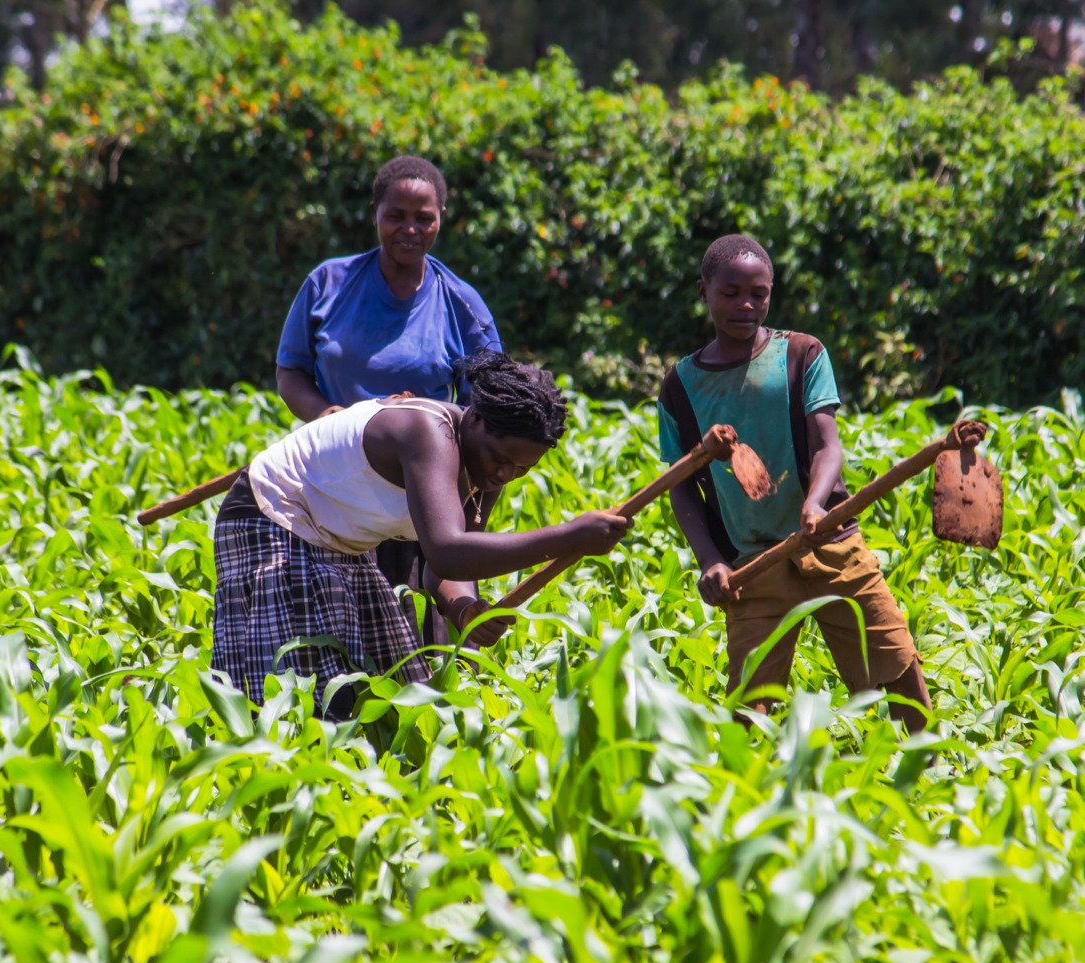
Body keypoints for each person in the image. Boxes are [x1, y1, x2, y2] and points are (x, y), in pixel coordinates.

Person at [213, 350, 628, 713]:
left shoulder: (487, 469)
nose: (504, 474)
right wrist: (570, 537)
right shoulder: (428, 433)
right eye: (500, 459)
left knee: (392, 685)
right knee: (305, 692)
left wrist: (463, 609)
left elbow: (442, 569)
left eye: (522, 469)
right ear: (476, 418)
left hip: (337, 541)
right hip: (270, 519)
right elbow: (448, 549)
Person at [659, 234, 931, 732]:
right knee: (749, 703)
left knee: (896, 659)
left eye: (759, 293)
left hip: (830, 541)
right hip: (754, 561)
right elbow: (681, 485)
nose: (746, 304)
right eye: (731, 292)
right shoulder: (681, 386)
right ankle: (747, 795)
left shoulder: (801, 354)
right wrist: (711, 560)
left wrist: (814, 505)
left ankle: (930, 772)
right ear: (703, 291)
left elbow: (828, 445)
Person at [274, 155, 502, 644]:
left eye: (425, 218)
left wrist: (415, 415)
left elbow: (485, 413)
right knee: (334, 644)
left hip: (419, 495)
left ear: (441, 218)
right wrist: (326, 413)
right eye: (396, 215)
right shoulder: (329, 284)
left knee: (422, 637)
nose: (410, 229)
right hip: (333, 485)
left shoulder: (460, 304)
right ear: (374, 212)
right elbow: (291, 371)